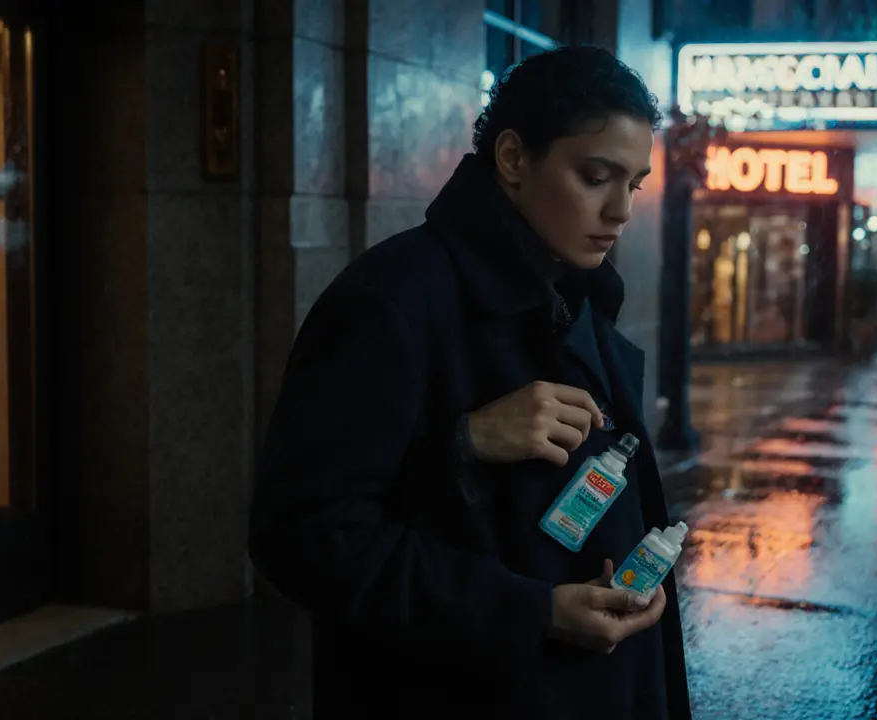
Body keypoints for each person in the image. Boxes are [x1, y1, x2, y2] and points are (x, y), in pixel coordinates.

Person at [249, 46, 691, 719]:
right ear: (514, 160)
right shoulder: (392, 300)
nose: (621, 210)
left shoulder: (581, 301)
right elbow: (302, 537)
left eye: (632, 184)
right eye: (596, 176)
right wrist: (463, 449)